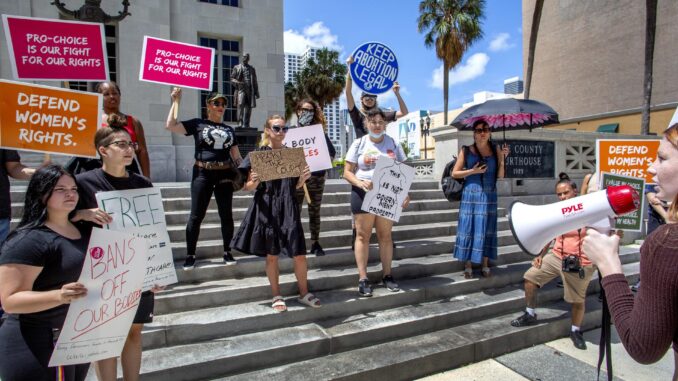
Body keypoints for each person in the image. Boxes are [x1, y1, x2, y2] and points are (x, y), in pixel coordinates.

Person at [583, 123, 678, 378]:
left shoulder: (667, 244)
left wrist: (608, 264)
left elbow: (642, 346)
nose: (651, 168)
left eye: (662, 158)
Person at [70, 126, 161, 381]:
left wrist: (157, 269)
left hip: (136, 268)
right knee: (106, 336)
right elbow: (58, 218)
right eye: (121, 144)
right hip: (102, 270)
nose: (129, 149)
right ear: (103, 150)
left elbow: (153, 230)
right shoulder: (82, 182)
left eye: (131, 144)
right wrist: (82, 214)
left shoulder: (142, 183)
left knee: (134, 331)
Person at [0, 165, 90, 381]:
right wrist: (58, 296)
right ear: (41, 194)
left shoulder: (84, 232)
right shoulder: (28, 240)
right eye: (60, 189)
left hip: (73, 339)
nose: (70, 194)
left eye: (74, 189)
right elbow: (10, 300)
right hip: (35, 343)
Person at [231, 116, 320, 312]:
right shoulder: (257, 155)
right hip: (267, 206)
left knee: (299, 254)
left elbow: (296, 185)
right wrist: (253, 182)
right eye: (277, 128)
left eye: (284, 128)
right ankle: (276, 295)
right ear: (268, 130)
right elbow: (245, 187)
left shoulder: (292, 155)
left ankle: (304, 293)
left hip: (289, 205)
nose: (281, 132)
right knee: (271, 255)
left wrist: (302, 179)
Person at [509, 173, 596, 350]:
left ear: (575, 191)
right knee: (530, 278)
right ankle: (530, 313)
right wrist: (541, 254)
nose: (563, 197)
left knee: (577, 300)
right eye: (559, 194)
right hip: (557, 256)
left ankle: (575, 330)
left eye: (566, 193)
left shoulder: (587, 210)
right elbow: (549, 232)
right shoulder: (557, 210)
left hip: (578, 261)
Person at [166, 88, 243, 269]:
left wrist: (247, 170)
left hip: (225, 173)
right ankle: (190, 254)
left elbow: (237, 155)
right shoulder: (198, 124)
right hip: (202, 173)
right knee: (196, 215)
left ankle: (227, 251)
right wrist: (176, 101)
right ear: (208, 105)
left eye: (223, 104)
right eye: (216, 103)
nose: (220, 106)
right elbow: (171, 125)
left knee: (226, 215)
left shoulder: (229, 129)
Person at [343, 108, 410, 297]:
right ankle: (363, 278)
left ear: (386, 124)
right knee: (363, 236)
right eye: (373, 122)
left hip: (387, 193)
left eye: (381, 122)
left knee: (385, 236)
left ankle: (387, 275)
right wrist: (359, 182)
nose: (377, 125)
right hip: (363, 193)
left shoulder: (394, 143)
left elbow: (403, 170)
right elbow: (347, 171)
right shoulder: (359, 143)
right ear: (366, 124)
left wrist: (405, 192)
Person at [451, 120, 509, 278]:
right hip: (471, 193)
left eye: (485, 129)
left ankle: (484, 263)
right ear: (474, 133)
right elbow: (454, 173)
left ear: (490, 132)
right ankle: (468, 264)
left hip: (489, 193)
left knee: (487, 228)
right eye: (478, 130)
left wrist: (502, 159)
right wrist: (472, 171)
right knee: (469, 228)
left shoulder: (496, 149)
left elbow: (501, 176)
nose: (482, 133)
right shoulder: (467, 150)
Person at [293, 99, 336, 256]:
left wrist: (320, 164)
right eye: (304, 110)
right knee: (294, 211)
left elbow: (331, 154)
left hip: (316, 178)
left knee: (314, 210)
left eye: (311, 111)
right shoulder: (290, 132)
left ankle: (315, 242)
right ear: (298, 111)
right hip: (296, 180)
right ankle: (295, 241)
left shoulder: (318, 133)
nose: (307, 113)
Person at [345, 55, 409, 139]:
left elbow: (404, 112)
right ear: (361, 100)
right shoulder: (358, 115)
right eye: (367, 98)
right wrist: (350, 70)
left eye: (373, 98)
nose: (370, 100)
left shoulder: (381, 115)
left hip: (379, 149)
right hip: (363, 150)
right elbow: (348, 92)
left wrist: (397, 94)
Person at [97, 81, 151, 177]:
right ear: (100, 97)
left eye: (114, 93)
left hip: (128, 169)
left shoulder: (134, 122)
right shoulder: (94, 120)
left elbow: (142, 151)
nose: (112, 96)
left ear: (120, 95)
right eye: (106, 94)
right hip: (100, 168)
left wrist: (147, 178)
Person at [231, 53, 259, 128]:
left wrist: (256, 92)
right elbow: (232, 78)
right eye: (244, 57)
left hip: (250, 89)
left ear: (248, 59)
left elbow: (255, 81)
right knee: (240, 104)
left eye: (247, 57)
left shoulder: (252, 69)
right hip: (241, 89)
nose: (246, 58)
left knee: (248, 107)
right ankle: (240, 122)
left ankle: (246, 124)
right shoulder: (237, 67)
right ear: (242, 58)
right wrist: (238, 83)